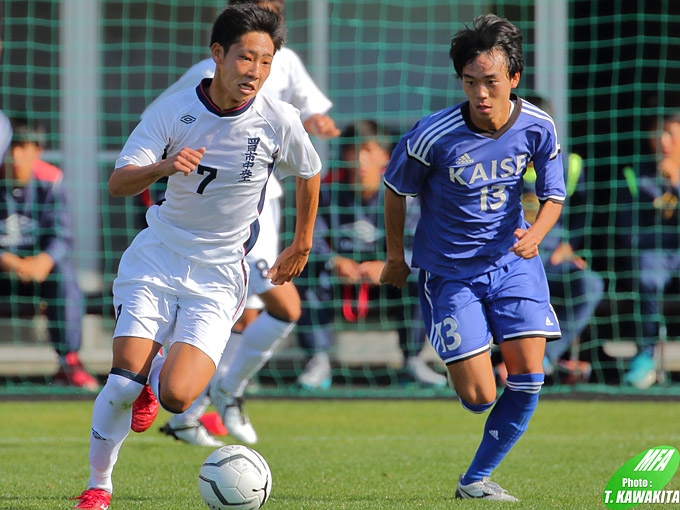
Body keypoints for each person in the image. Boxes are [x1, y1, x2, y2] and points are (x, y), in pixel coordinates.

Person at [71, 5, 321, 508]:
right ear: (217, 56)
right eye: (246, 58)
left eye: (266, 61)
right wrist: (164, 166)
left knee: (179, 398)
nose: (255, 71)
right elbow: (119, 182)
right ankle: (99, 487)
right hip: (159, 255)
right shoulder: (173, 110)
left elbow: (309, 171)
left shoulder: (278, 118)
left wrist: (302, 242)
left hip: (219, 273)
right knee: (121, 380)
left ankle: (155, 373)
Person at [379, 14, 565, 501]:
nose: (481, 94)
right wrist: (396, 258)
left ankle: (475, 480)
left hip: (513, 264)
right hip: (449, 274)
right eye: (470, 82)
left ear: (514, 79)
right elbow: (395, 190)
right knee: (480, 397)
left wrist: (537, 236)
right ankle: (464, 351)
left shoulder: (538, 126)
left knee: (528, 378)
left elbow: (554, 195)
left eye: (491, 82)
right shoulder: (431, 135)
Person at [149, 0, 340, 447]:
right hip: (221, 218)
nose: (255, 68)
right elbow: (162, 122)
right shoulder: (207, 70)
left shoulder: (284, 60)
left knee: (250, 313)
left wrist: (315, 120)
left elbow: (307, 112)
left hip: (264, 207)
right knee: (280, 308)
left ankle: (199, 405)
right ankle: (212, 392)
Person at [295, 119, 447, 390]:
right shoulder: (326, 193)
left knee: (422, 277)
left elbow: (422, 248)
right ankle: (318, 360)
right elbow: (310, 241)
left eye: (368, 150)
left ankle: (413, 360)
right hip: (338, 281)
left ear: (385, 157)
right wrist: (334, 262)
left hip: (389, 282)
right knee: (307, 277)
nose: (360, 160)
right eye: (353, 151)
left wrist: (391, 264)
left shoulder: (406, 197)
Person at [0, 117, 99, 392]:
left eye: (24, 147)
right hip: (4, 268)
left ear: (37, 151)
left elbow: (62, 236)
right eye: (10, 148)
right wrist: (6, 260)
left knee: (65, 276)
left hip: (37, 270)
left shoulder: (51, 181)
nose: (16, 156)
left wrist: (44, 260)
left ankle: (69, 362)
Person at [617, 109, 680, 389]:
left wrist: (676, 184)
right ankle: (646, 355)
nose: (663, 140)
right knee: (647, 276)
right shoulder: (633, 174)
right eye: (657, 132)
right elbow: (626, 231)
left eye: (670, 133)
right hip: (652, 254)